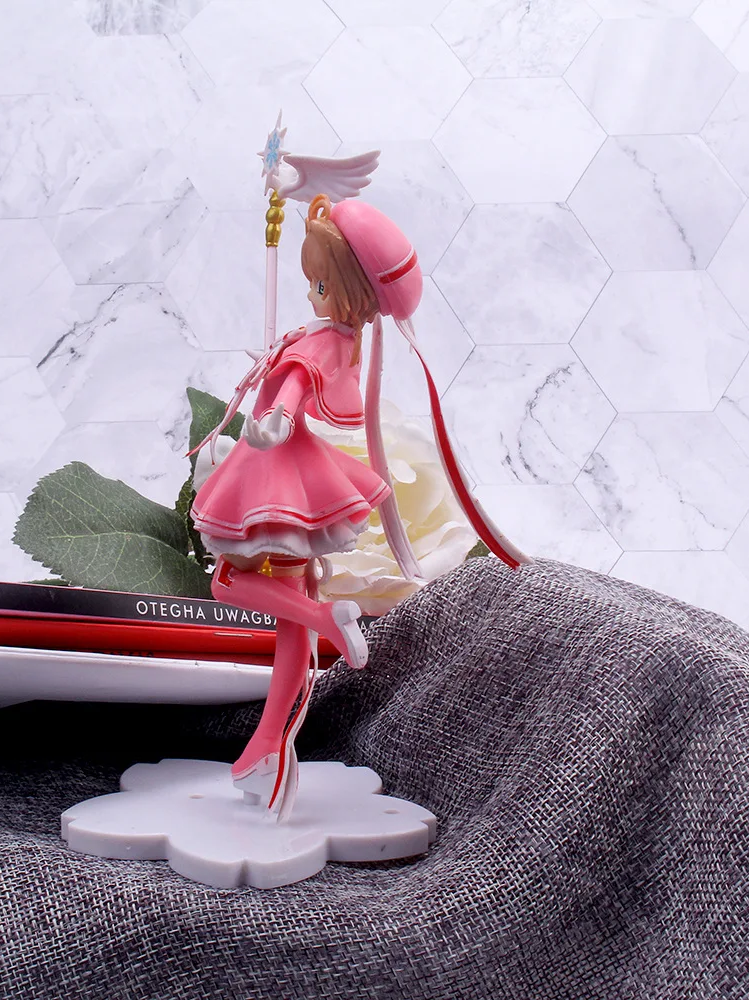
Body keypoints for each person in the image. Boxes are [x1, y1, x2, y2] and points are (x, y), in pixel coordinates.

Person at [189, 194, 527, 817]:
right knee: (291, 619)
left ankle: (325, 621)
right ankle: (269, 746)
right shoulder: (343, 338)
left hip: (272, 468)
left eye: (320, 284)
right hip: (297, 471)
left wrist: (273, 420)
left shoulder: (323, 340)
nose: (311, 293)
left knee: (227, 581)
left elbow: (294, 388)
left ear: (346, 290)